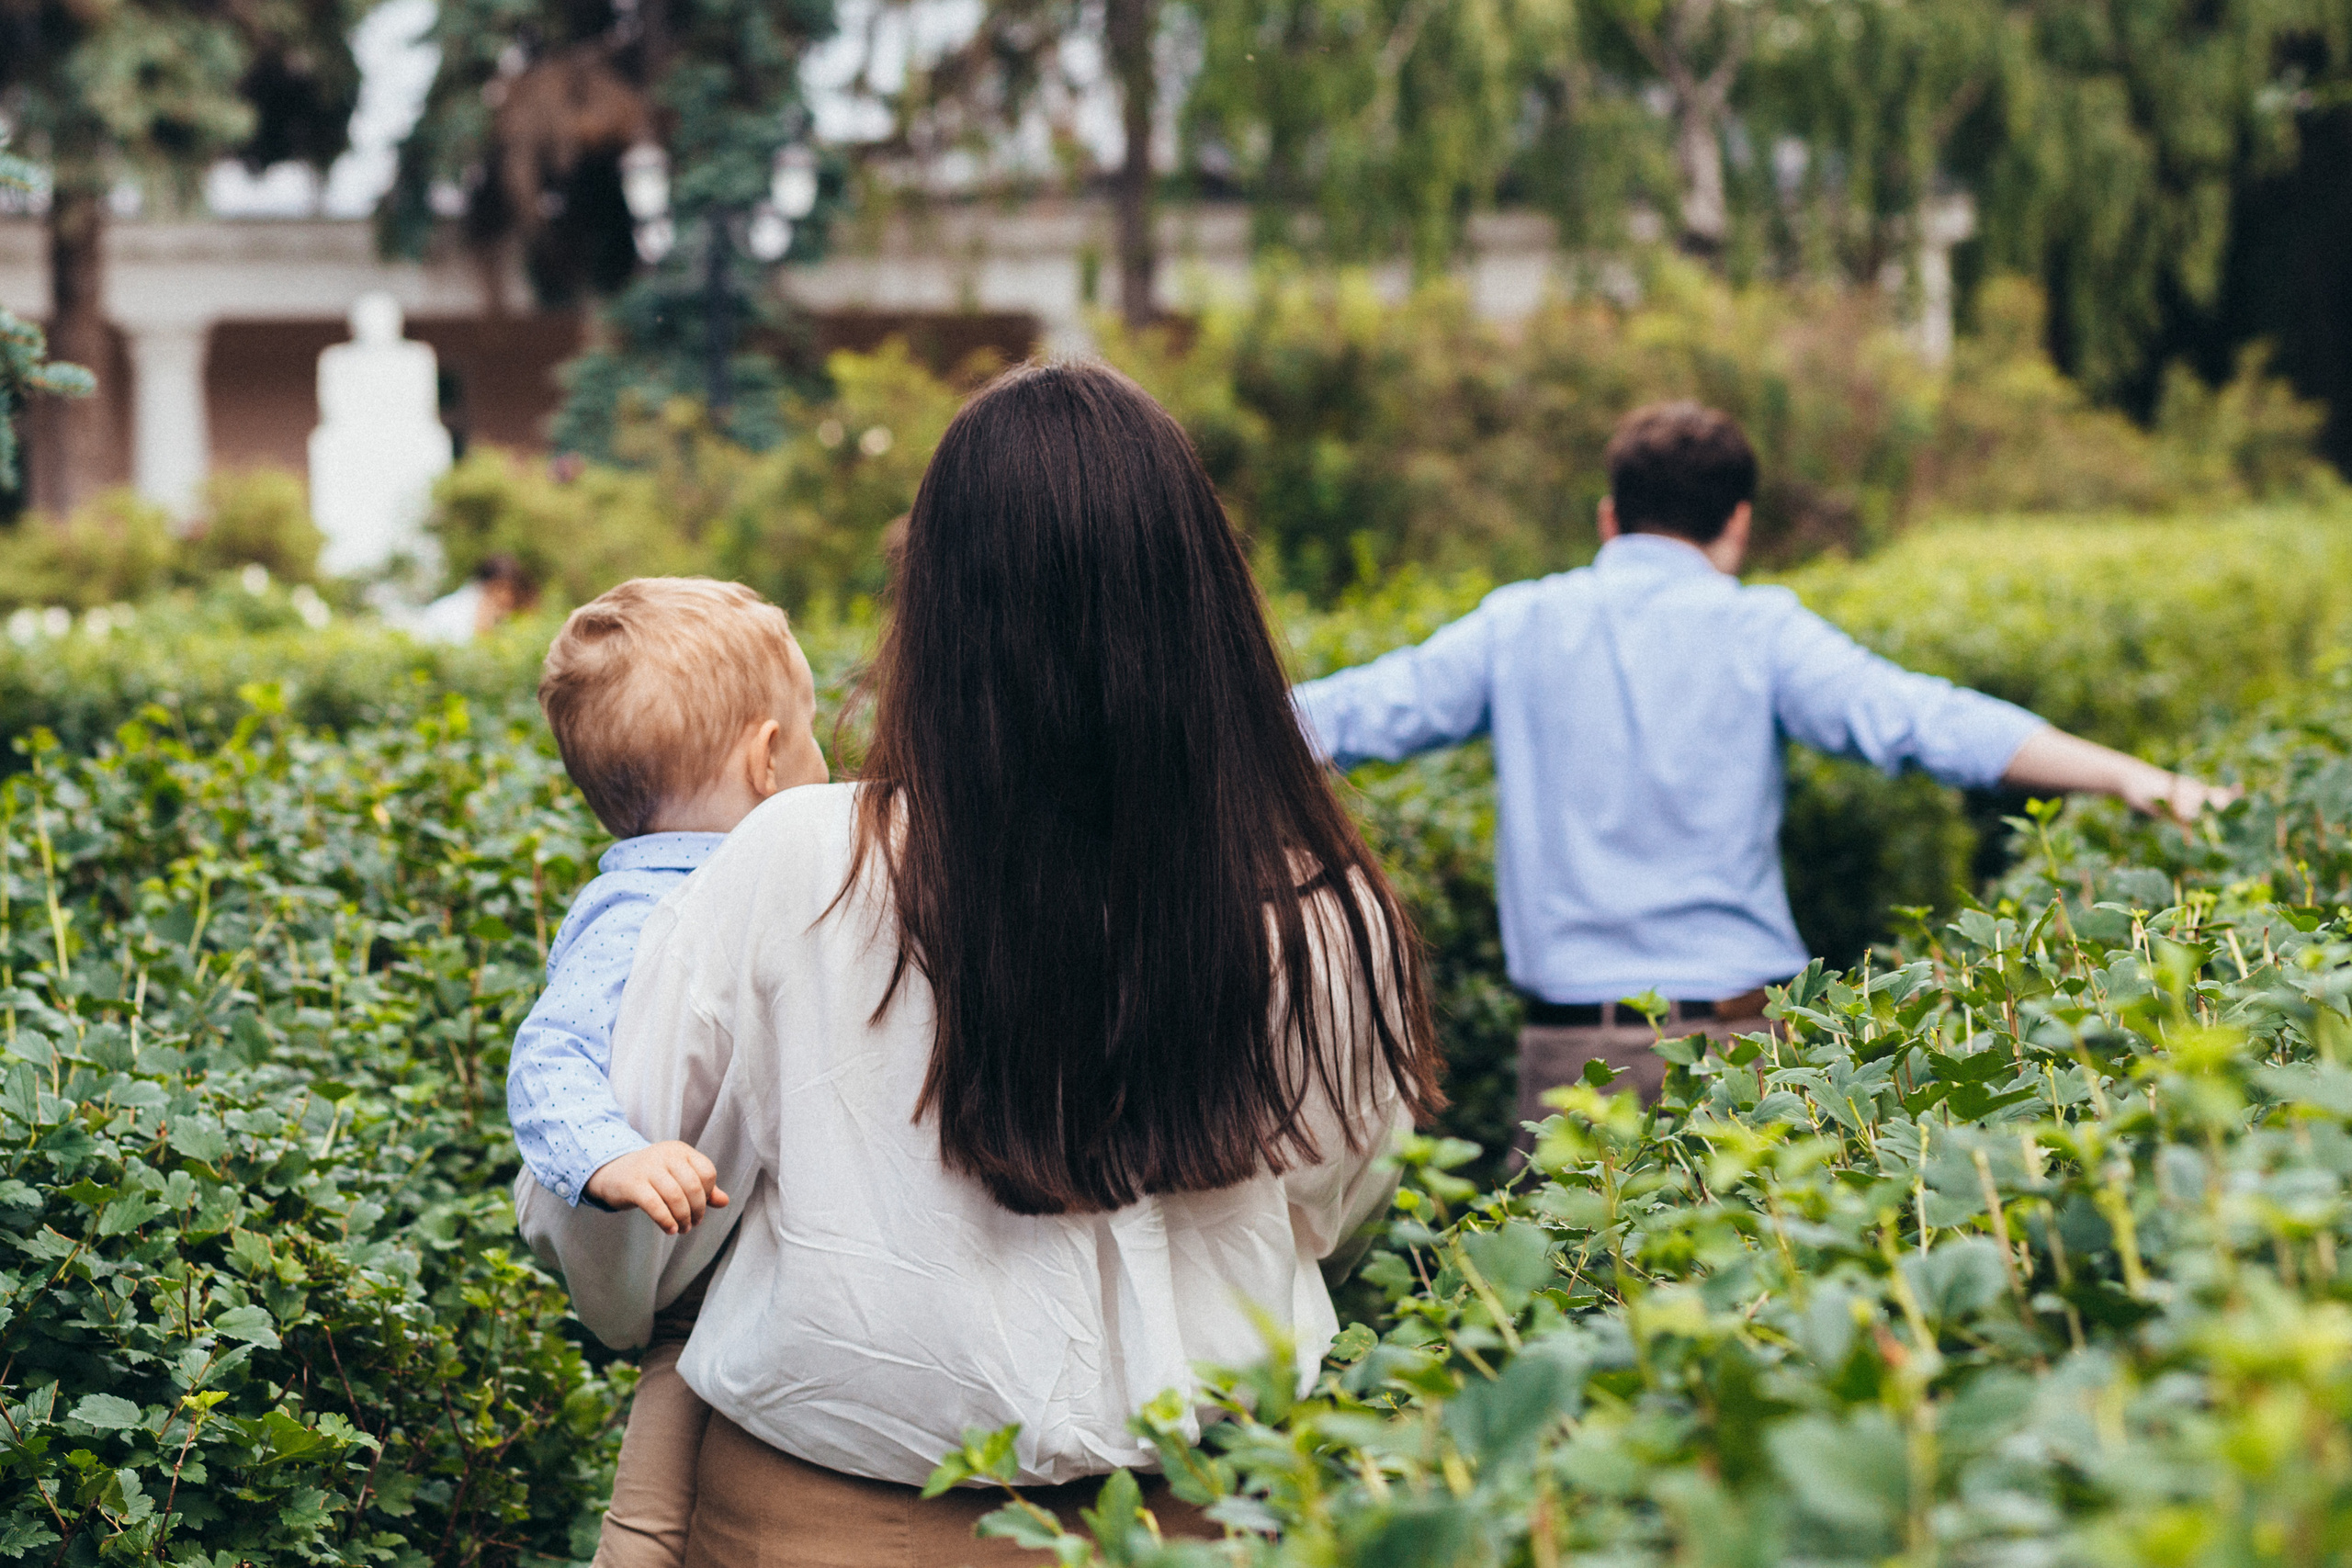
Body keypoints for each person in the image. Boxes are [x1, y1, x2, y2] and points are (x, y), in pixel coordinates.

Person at [515, 363, 1443, 1567]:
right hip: (1202, 1523)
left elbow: (630, 1224)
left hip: (825, 1525)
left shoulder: (797, 861)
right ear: (1204, 604)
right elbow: (1331, 1208)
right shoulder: (1321, 903)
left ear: (938, 609)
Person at [1290, 400, 2237, 1129]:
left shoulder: (1519, 624)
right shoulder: (1762, 629)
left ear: (1607, 517)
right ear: (1737, 523)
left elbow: (1335, 719)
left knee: (1571, 1335)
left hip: (1577, 1055)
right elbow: (1924, 720)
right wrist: (2131, 776)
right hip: (1747, 1052)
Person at [508, 576, 830, 1568]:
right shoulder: (646, 911)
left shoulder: (729, 883)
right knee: (647, 1519)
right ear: (769, 759)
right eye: (816, 735)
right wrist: (614, 1159)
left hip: (746, 1263)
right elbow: (548, 1053)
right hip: (694, 1274)